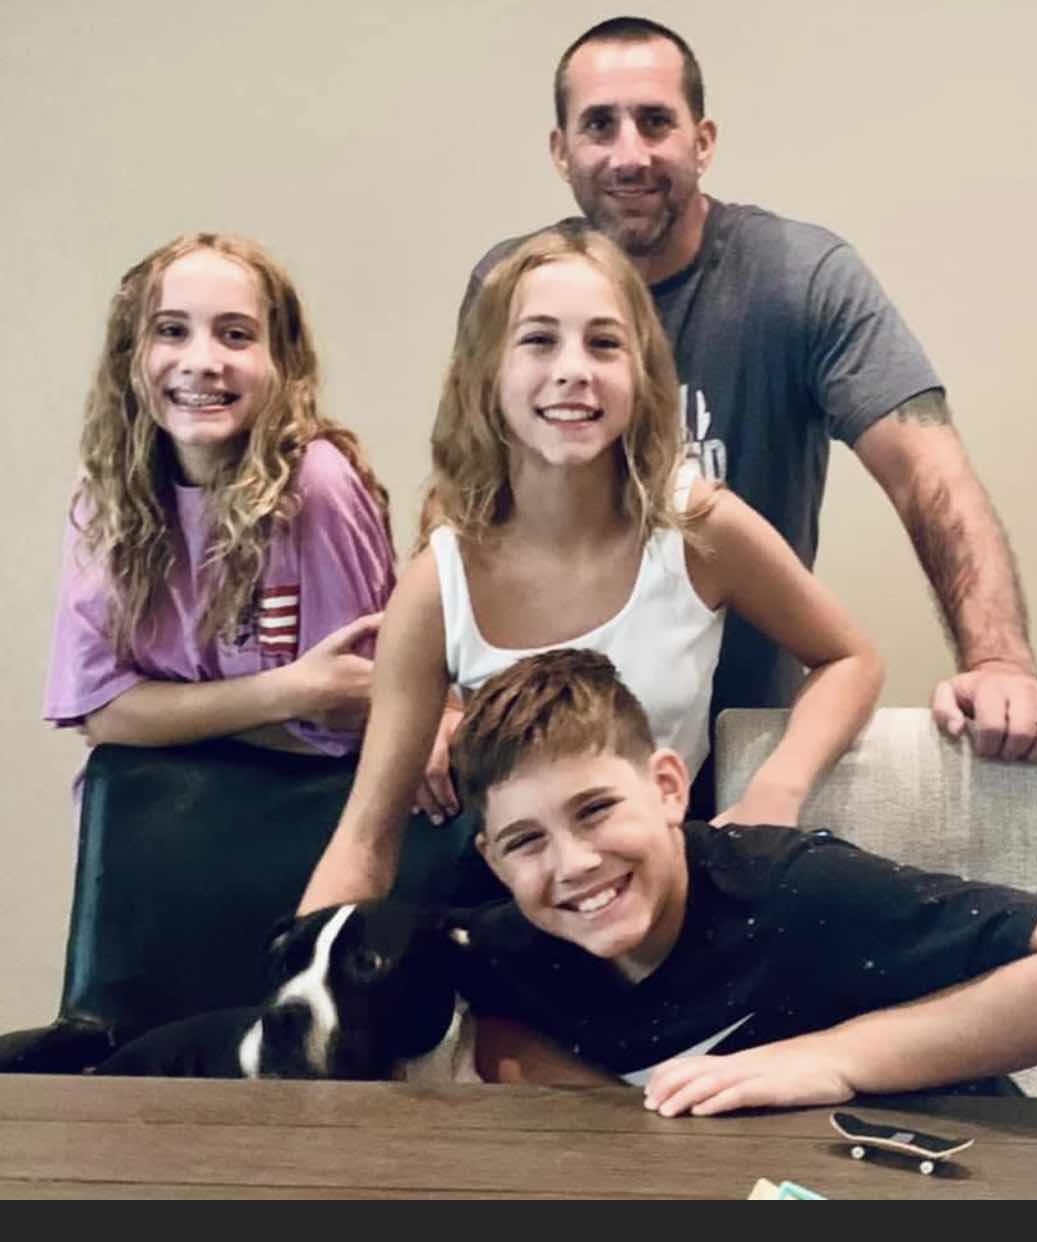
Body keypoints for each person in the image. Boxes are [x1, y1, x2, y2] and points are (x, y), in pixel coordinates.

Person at [462, 16, 1037, 792]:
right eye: (599, 125)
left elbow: (928, 473)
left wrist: (998, 661)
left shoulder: (797, 279)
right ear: (561, 150)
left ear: (703, 141)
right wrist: (441, 699)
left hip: (741, 747)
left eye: (655, 122)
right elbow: (471, 490)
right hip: (541, 768)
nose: (629, 154)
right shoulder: (511, 287)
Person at [297, 224, 882, 913]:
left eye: (604, 343)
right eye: (539, 340)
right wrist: (299, 971)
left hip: (669, 893)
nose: (574, 369)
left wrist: (773, 794)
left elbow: (851, 659)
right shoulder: (437, 584)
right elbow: (365, 842)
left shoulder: (696, 528)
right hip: (518, 909)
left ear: (642, 375)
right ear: (488, 373)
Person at [450, 648, 1037, 1114]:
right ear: (493, 861)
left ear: (667, 787)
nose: (573, 864)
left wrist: (831, 1059)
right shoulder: (504, 950)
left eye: (596, 810)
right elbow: (495, 1034)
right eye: (526, 841)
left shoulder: (794, 888)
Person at [45, 233, 395, 763]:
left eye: (236, 335)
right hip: (146, 809)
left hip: (298, 805)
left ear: (281, 361)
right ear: (130, 354)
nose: (202, 361)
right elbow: (101, 713)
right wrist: (285, 692)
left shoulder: (315, 485)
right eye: (171, 331)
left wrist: (162, 715)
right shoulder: (106, 489)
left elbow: (347, 716)